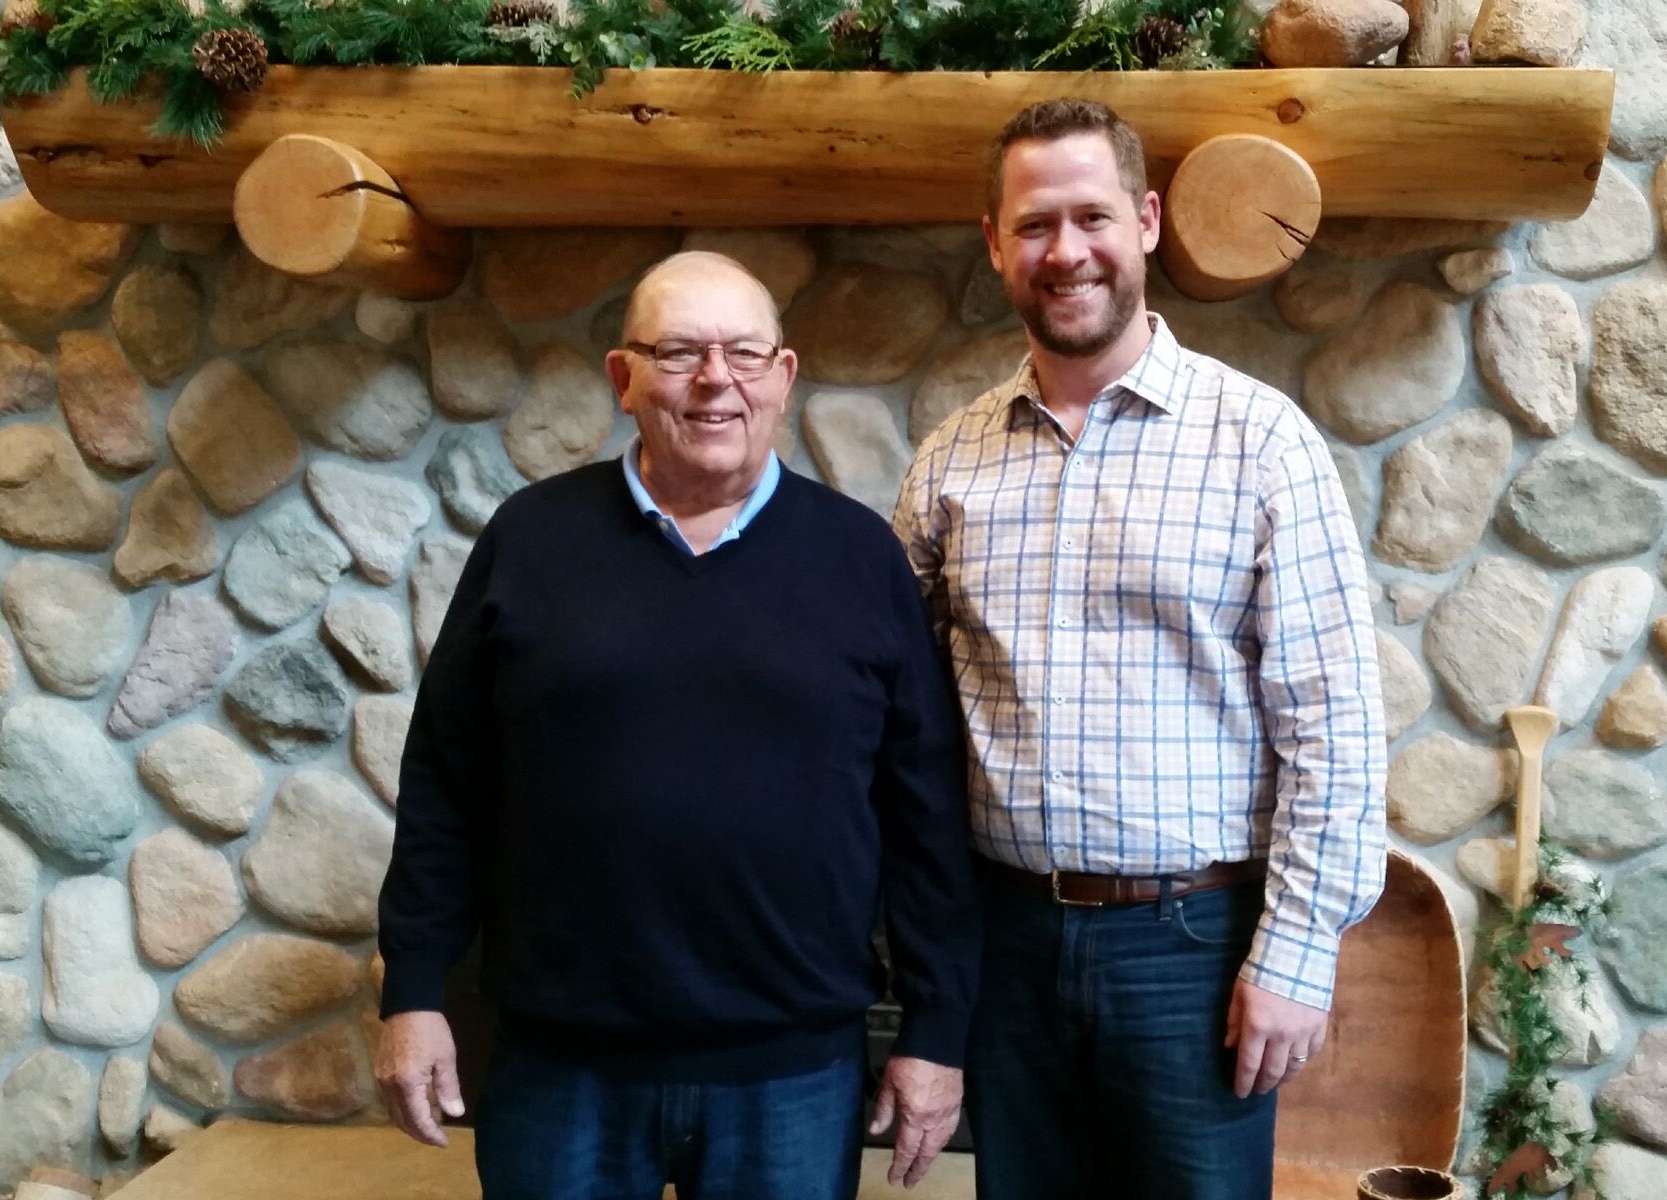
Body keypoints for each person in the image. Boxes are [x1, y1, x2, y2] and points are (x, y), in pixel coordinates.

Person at [376, 250, 981, 1200]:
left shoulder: (860, 558)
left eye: (745, 353)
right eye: (678, 352)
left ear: (784, 376)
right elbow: (445, 784)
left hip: (793, 1070)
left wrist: (936, 1031)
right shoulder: (529, 540)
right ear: (623, 378)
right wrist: (413, 991)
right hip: (559, 1062)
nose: (715, 379)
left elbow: (926, 817)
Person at [891, 99, 1387, 1200]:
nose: (1065, 251)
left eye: (1093, 217)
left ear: (1148, 222)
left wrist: (1297, 952)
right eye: (1034, 225)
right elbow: (895, 721)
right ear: (995, 244)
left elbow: (1333, 722)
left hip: (1193, 948)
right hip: (1006, 944)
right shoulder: (947, 465)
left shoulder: (1261, 442)